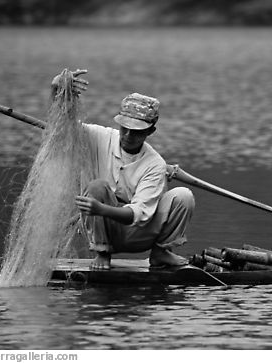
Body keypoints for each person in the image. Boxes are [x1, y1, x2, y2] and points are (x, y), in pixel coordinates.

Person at [52, 69, 195, 270]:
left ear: (150, 132)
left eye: (136, 132)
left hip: (137, 234)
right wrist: (57, 89)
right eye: (124, 128)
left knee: (183, 196)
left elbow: (139, 214)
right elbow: (63, 127)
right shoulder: (98, 136)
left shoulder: (155, 164)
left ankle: (161, 253)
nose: (128, 135)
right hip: (99, 229)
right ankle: (102, 252)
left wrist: (102, 209)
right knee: (97, 187)